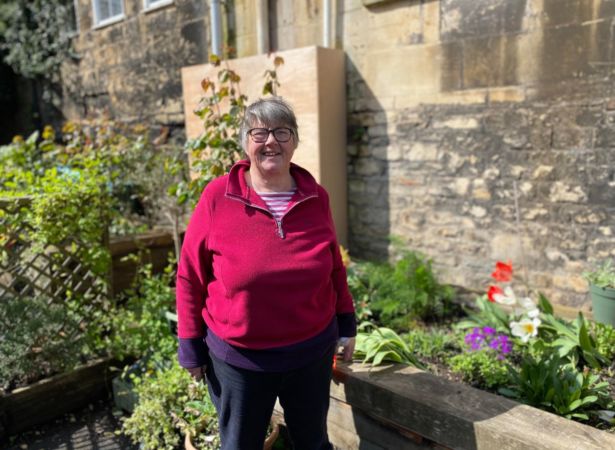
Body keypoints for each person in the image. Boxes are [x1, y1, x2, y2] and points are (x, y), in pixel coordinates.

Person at [176, 96, 357, 450]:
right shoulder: (217, 196)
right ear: (245, 142)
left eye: (282, 132)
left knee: (313, 443)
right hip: (240, 361)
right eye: (259, 133)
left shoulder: (315, 196)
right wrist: (190, 346)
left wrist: (347, 324)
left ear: (295, 141)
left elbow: (334, 267)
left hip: (311, 353)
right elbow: (189, 276)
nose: (271, 140)